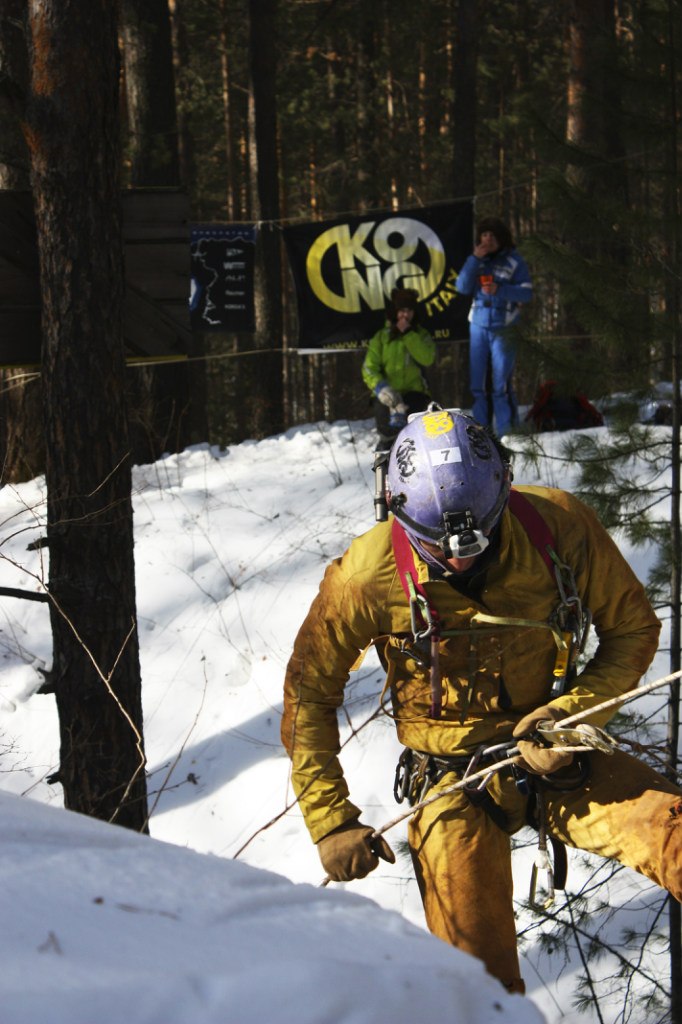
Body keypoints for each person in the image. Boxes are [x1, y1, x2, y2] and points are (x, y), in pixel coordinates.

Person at [281, 407, 682, 996]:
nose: (462, 560)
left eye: (479, 538)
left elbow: (632, 630)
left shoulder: (557, 528)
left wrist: (568, 718)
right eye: (440, 549)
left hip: (556, 752)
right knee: (478, 988)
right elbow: (308, 695)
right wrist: (330, 820)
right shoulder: (365, 577)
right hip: (449, 782)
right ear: (395, 511)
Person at [456, 218, 533, 437]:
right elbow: (461, 287)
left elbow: (526, 293)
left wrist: (500, 289)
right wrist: (474, 259)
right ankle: (481, 435)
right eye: (484, 235)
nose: (487, 239)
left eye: (492, 235)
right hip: (478, 324)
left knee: (501, 384)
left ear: (501, 238)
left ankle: (508, 434)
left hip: (505, 324)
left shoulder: (514, 260)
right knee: (478, 386)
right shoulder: (476, 260)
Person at [361, 287, 436, 450]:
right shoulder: (381, 336)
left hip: (415, 393)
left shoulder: (421, 335)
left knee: (414, 437)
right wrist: (381, 388)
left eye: (409, 310)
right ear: (394, 312)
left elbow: (428, 358)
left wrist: (408, 334)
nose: (405, 315)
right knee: (388, 435)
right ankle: (385, 467)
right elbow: (369, 368)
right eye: (402, 310)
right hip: (386, 395)